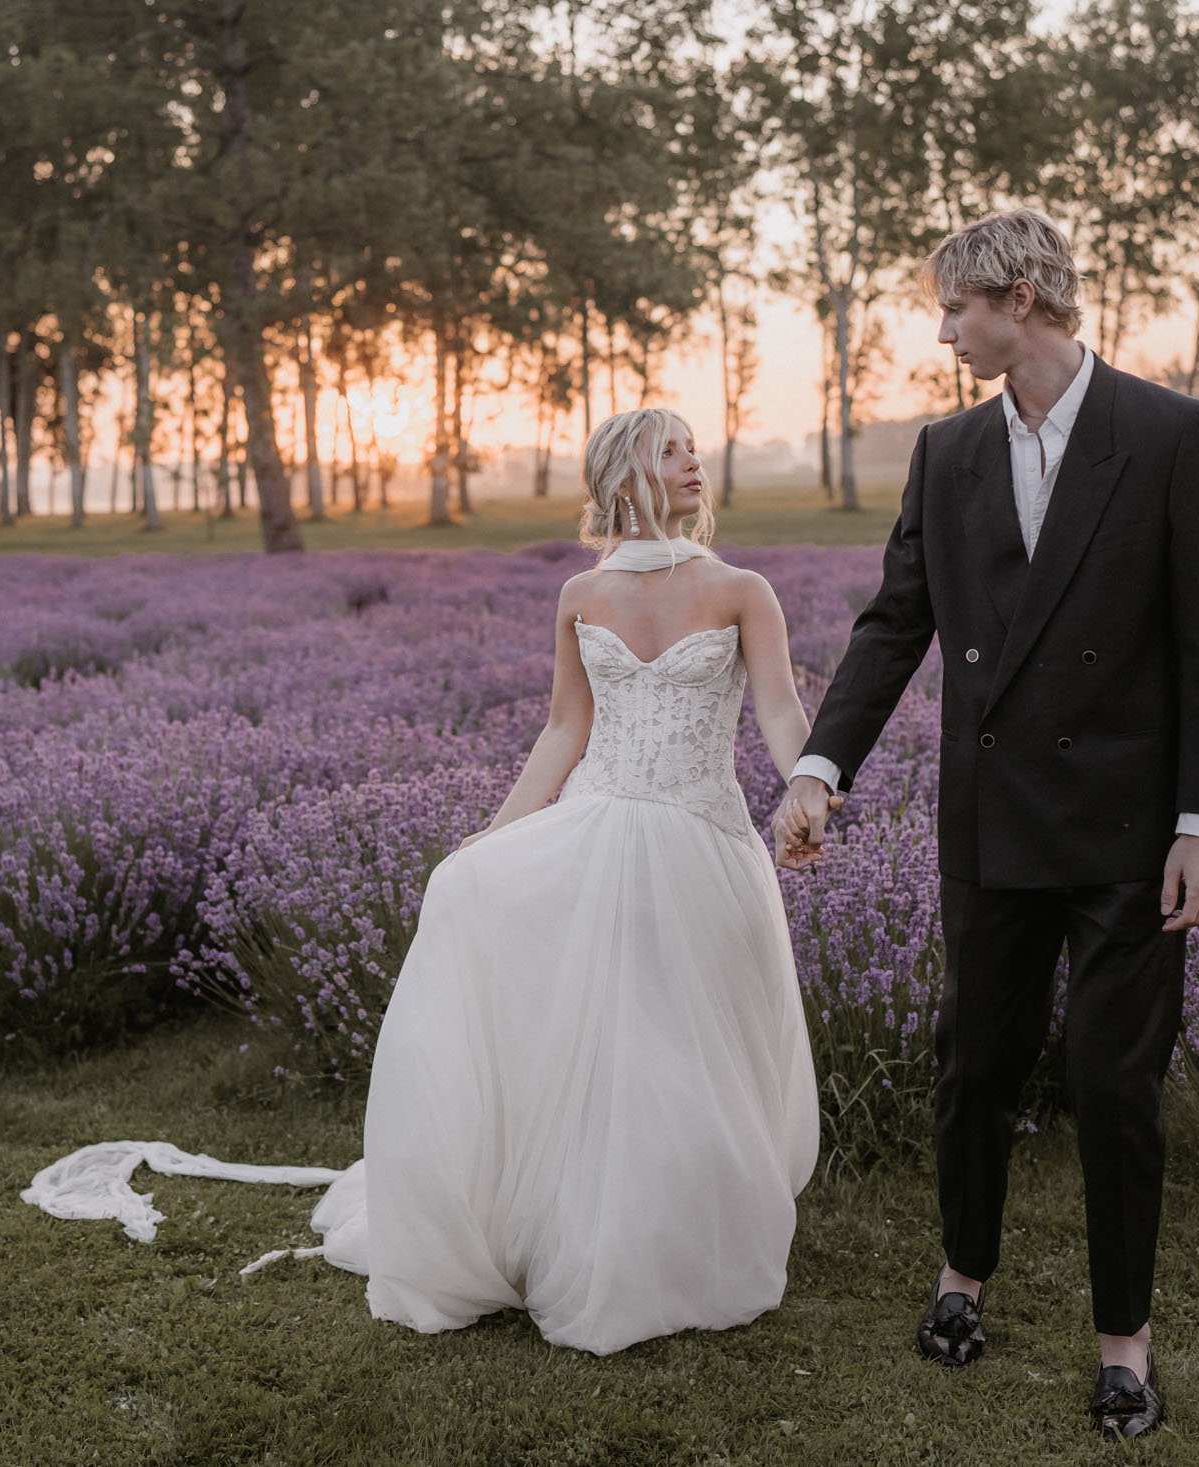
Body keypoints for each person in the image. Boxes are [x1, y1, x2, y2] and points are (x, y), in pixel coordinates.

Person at [771, 208, 1199, 1439]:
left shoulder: (1172, 435)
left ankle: (1124, 1346)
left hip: (1132, 831)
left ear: (1024, 295)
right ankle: (960, 1279)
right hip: (990, 823)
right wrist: (821, 767)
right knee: (972, 1065)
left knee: (1114, 1082)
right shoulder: (946, 452)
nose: (943, 331)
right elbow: (893, 626)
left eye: (955, 308)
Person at [304, 408, 820, 1355]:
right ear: (628, 475)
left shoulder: (745, 589)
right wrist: (493, 838)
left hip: (705, 840)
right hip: (599, 825)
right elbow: (563, 730)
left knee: (687, 1048)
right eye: (674, 451)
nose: (695, 462)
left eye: (695, 449)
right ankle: (582, 1236)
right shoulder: (580, 595)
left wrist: (808, 786)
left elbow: (783, 711)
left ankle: (677, 1228)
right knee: (602, 1041)